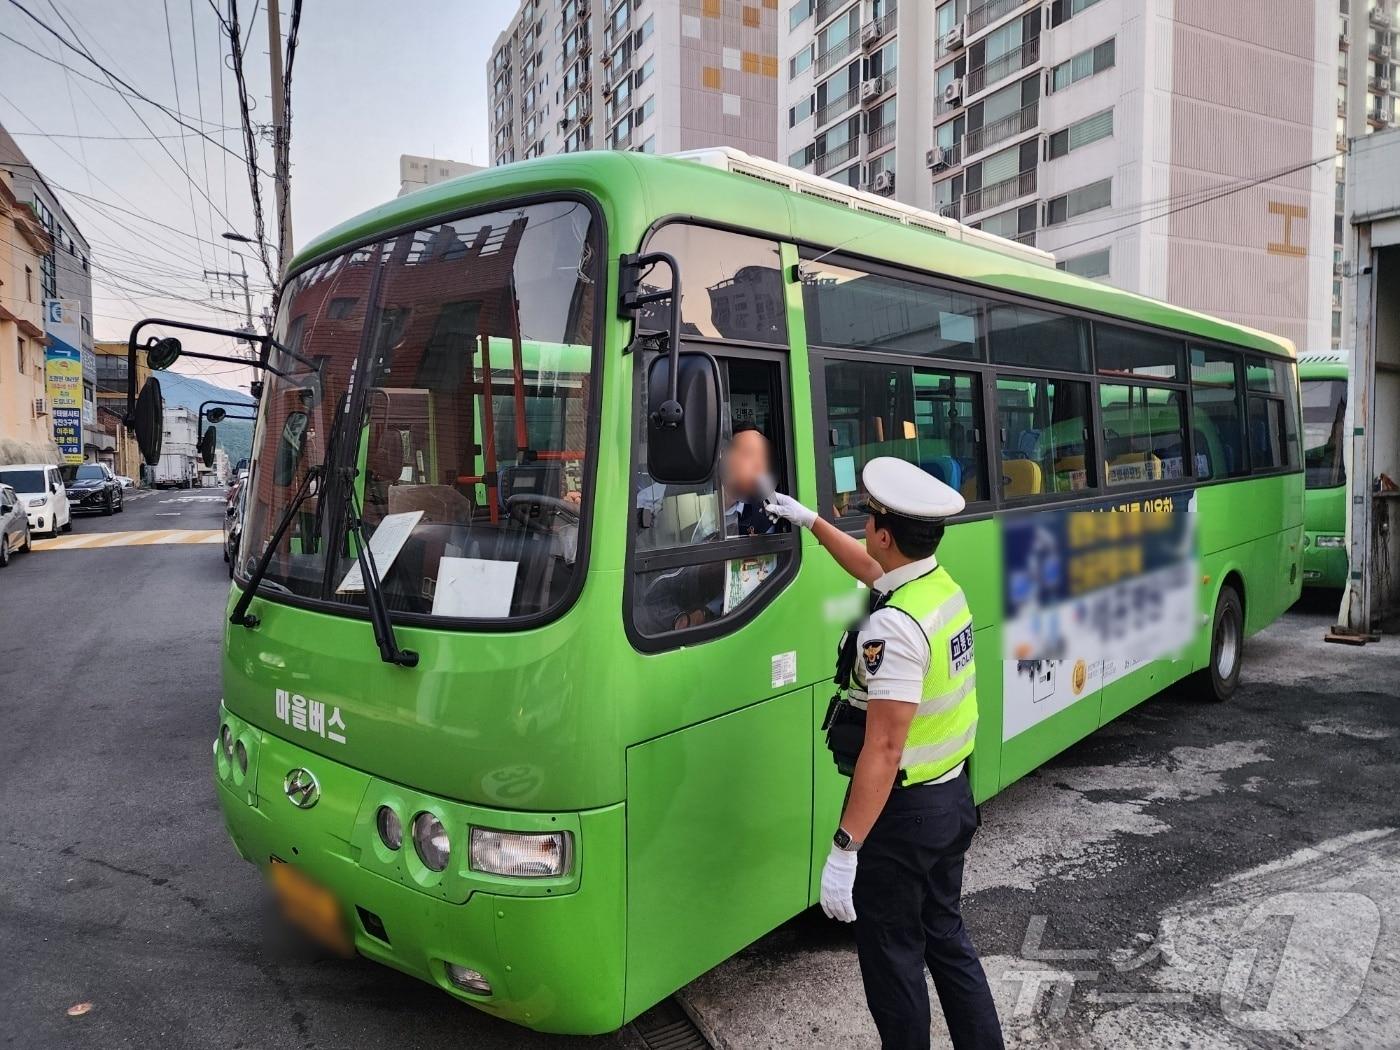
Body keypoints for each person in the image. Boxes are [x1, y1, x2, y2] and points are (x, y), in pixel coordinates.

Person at [764, 457, 1004, 1050]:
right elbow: (871, 568)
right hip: (950, 797)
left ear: (886, 533)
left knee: (894, 960)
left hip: (904, 819)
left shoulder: (893, 630)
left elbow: (884, 747)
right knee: (945, 938)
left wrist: (845, 849)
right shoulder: (936, 586)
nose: (865, 527)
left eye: (868, 519)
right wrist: (811, 521)